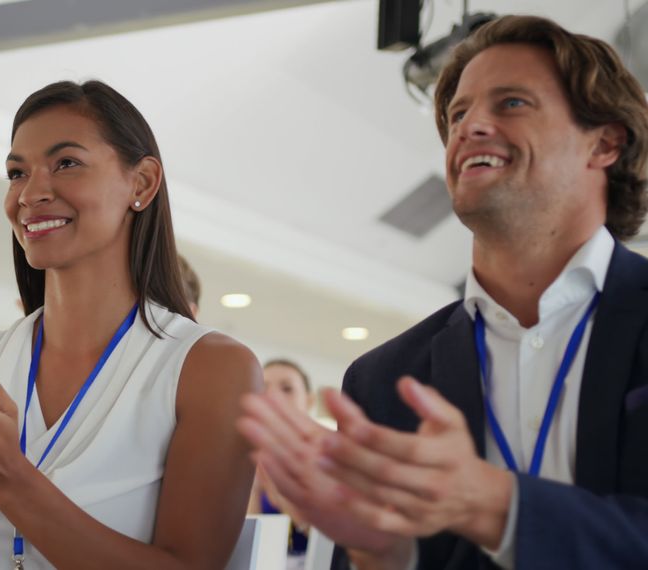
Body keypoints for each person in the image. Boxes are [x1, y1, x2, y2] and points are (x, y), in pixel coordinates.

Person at [238, 15, 648, 570]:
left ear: (604, 143)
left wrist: (494, 505)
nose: (469, 126)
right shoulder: (384, 377)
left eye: (511, 103)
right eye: (458, 112)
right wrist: (382, 554)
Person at [0, 80, 261, 569]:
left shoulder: (211, 369)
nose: (31, 192)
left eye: (66, 163)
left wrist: (8, 477)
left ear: (142, 183)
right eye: (16, 172)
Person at [248, 359, 315, 567]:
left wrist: (286, 499)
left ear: (309, 401)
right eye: (264, 388)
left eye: (287, 388)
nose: (274, 396)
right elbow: (249, 541)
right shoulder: (247, 457)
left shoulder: (327, 459)